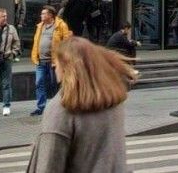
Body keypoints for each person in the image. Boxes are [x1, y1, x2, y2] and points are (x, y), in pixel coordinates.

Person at [26, 36, 137, 173]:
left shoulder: (61, 110)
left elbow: (48, 166)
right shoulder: (112, 100)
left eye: (56, 62)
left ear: (67, 67)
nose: (54, 67)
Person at [31, 5, 73, 115]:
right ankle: (41, 107)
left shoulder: (61, 25)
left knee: (55, 85)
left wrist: (63, 59)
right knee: (39, 83)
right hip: (40, 61)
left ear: (50, 15)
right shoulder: (40, 26)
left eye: (43, 13)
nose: (41, 15)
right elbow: (36, 42)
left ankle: (58, 107)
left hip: (54, 62)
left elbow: (67, 43)